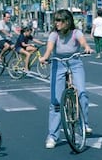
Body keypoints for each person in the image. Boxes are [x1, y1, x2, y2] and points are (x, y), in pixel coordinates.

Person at [39, 9, 93, 149]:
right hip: (58, 64)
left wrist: (87, 48)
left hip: (75, 63)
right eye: (55, 20)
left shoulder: (76, 33)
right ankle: (52, 136)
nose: (56, 23)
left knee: (82, 93)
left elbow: (83, 43)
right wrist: (45, 57)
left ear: (67, 22)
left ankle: (84, 124)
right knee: (55, 102)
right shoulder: (54, 35)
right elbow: (49, 49)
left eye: (59, 20)